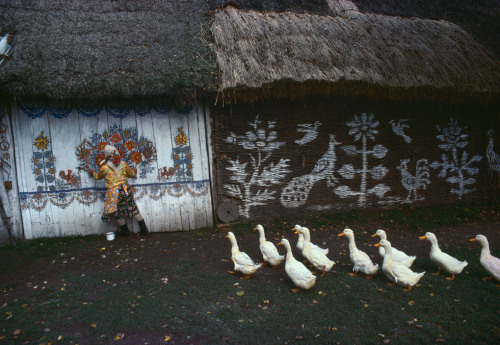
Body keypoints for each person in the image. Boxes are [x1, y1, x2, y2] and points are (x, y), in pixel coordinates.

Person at [85, 144, 148, 236]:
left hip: (114, 193)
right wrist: (134, 171)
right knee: (133, 208)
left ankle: (125, 232)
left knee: (116, 212)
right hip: (125, 190)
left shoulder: (104, 168)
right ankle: (144, 229)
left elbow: (97, 177)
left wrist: (92, 173)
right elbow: (131, 174)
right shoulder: (124, 165)